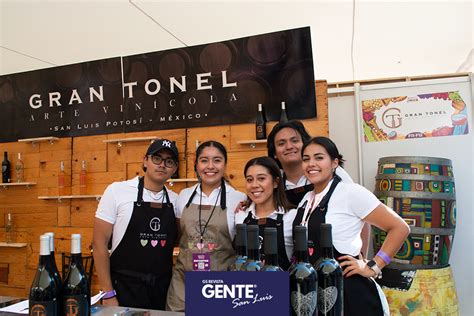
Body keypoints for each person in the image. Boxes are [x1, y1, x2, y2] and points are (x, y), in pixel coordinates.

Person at [293, 136, 410, 315]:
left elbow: (400, 228)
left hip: (351, 292)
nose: (311, 164)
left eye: (319, 157)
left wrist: (373, 266)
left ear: (334, 163)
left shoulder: (350, 192)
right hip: (317, 292)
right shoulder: (305, 200)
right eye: (306, 159)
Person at [93, 139, 180, 310]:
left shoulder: (176, 201)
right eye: (157, 158)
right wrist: (108, 294)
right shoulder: (117, 191)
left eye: (169, 161)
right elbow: (99, 245)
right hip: (123, 289)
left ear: (174, 169)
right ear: (145, 160)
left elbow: (178, 240)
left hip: (162, 292)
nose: (162, 165)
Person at [166, 141, 247, 312]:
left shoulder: (238, 198)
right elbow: (179, 234)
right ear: (196, 164)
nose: (210, 166)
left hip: (221, 287)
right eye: (204, 160)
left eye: (217, 160)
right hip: (183, 284)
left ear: (225, 164)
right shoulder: (183, 196)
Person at [236, 156, 297, 270]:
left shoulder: (292, 216)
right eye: (249, 180)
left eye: (261, 178)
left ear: (276, 182)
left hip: (281, 286)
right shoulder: (240, 215)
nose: (254, 185)